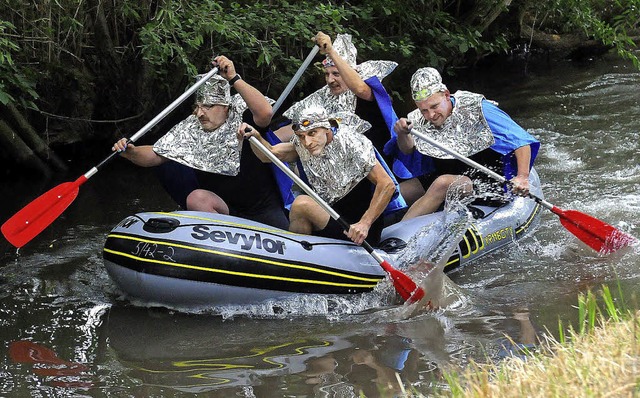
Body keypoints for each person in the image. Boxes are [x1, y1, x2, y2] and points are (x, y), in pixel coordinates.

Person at [112, 55, 289, 230]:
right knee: (196, 198)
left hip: (264, 209)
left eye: (208, 106)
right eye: (198, 107)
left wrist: (233, 78)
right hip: (225, 211)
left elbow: (265, 113)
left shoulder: (243, 116)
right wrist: (131, 152)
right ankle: (217, 246)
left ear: (225, 107)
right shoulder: (192, 127)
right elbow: (154, 154)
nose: (200, 113)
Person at [268, 32, 409, 215]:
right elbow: (294, 128)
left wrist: (332, 52)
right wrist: (264, 134)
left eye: (336, 73)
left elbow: (359, 88)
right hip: (332, 173)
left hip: (369, 172)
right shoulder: (325, 98)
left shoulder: (365, 95)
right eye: (327, 74)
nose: (330, 80)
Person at [393, 67, 540, 220]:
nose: (430, 115)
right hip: (447, 172)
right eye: (424, 110)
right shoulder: (417, 119)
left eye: (434, 106)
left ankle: (398, 240)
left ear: (446, 95)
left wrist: (522, 177)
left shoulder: (477, 108)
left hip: (487, 180)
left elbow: (520, 140)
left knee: (442, 184)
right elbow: (407, 150)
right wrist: (403, 134)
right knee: (399, 190)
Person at [241, 106, 395, 246]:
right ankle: (301, 260)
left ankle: (299, 255)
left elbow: (387, 184)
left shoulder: (352, 142)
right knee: (301, 207)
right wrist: (256, 138)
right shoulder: (302, 145)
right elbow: (269, 155)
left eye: (312, 133)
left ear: (326, 127)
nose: (307, 142)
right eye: (301, 136)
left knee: (302, 204)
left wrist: (364, 223)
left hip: (359, 229)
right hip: (331, 218)